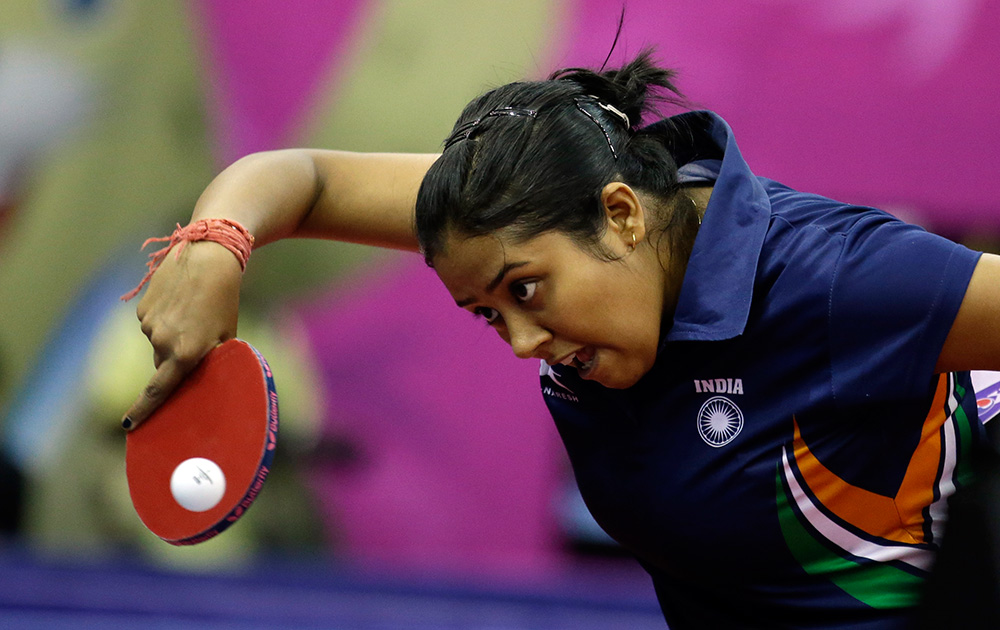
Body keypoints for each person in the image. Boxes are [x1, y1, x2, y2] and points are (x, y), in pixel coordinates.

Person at [121, 51, 1000, 628]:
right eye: (489, 312)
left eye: (527, 291)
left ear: (620, 215)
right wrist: (218, 245)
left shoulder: (839, 279)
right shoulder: (509, 210)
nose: (520, 340)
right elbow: (302, 179)